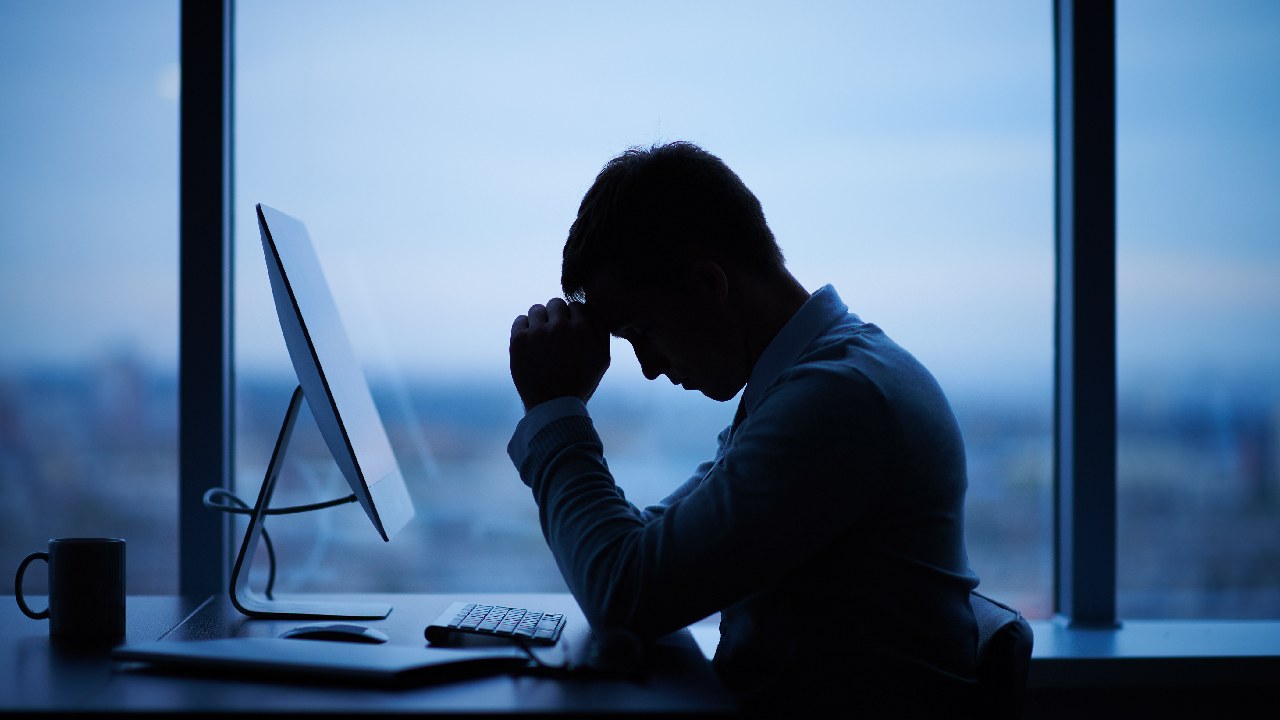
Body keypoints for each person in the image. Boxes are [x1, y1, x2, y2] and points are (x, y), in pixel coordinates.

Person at [507, 141, 981, 716]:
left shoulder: (838, 401)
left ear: (709, 284)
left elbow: (624, 592)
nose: (650, 367)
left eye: (642, 332)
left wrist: (554, 407)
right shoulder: (817, 381)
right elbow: (648, 555)